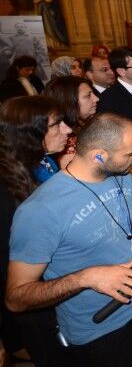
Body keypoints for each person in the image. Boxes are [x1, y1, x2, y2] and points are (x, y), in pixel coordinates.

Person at [6, 113, 132, 367]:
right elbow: (16, 297)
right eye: (130, 153)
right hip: (101, 330)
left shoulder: (120, 175)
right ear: (99, 155)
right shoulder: (39, 212)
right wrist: (85, 278)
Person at [0, 95, 74, 366]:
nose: (68, 129)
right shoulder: (6, 190)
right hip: (32, 299)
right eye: (57, 124)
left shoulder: (40, 162)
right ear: (29, 133)